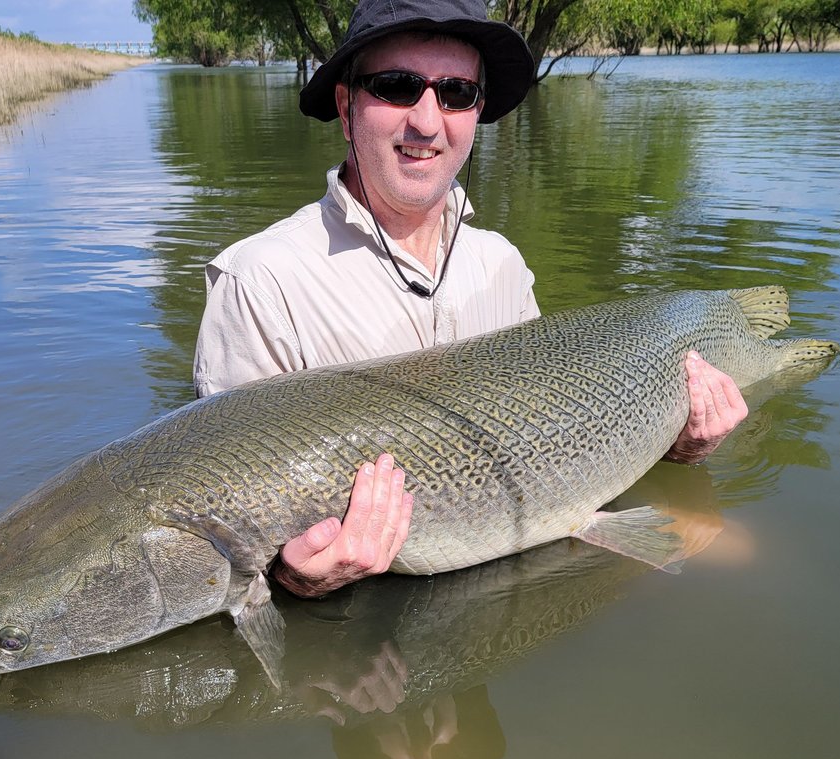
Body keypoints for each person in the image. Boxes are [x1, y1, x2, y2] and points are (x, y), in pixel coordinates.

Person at [192, 0, 748, 599]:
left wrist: (676, 444)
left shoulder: (501, 263)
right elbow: (215, 527)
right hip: (369, 643)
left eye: (456, 94)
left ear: (477, 111)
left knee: (734, 552)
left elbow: (560, 436)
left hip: (517, 605)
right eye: (397, 87)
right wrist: (291, 579)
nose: (428, 123)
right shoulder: (258, 281)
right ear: (345, 105)